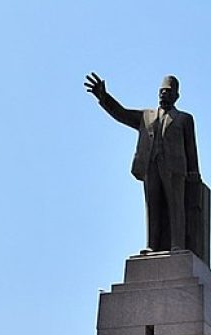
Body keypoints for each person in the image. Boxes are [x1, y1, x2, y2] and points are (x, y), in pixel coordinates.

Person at [84, 72, 200, 254]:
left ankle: (177, 244)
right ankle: (152, 244)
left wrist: (194, 171)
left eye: (168, 92)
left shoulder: (184, 119)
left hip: (175, 168)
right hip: (150, 166)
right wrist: (104, 97)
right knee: (152, 206)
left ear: (176, 96)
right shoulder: (146, 116)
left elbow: (191, 147)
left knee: (176, 206)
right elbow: (122, 114)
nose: (164, 94)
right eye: (161, 91)